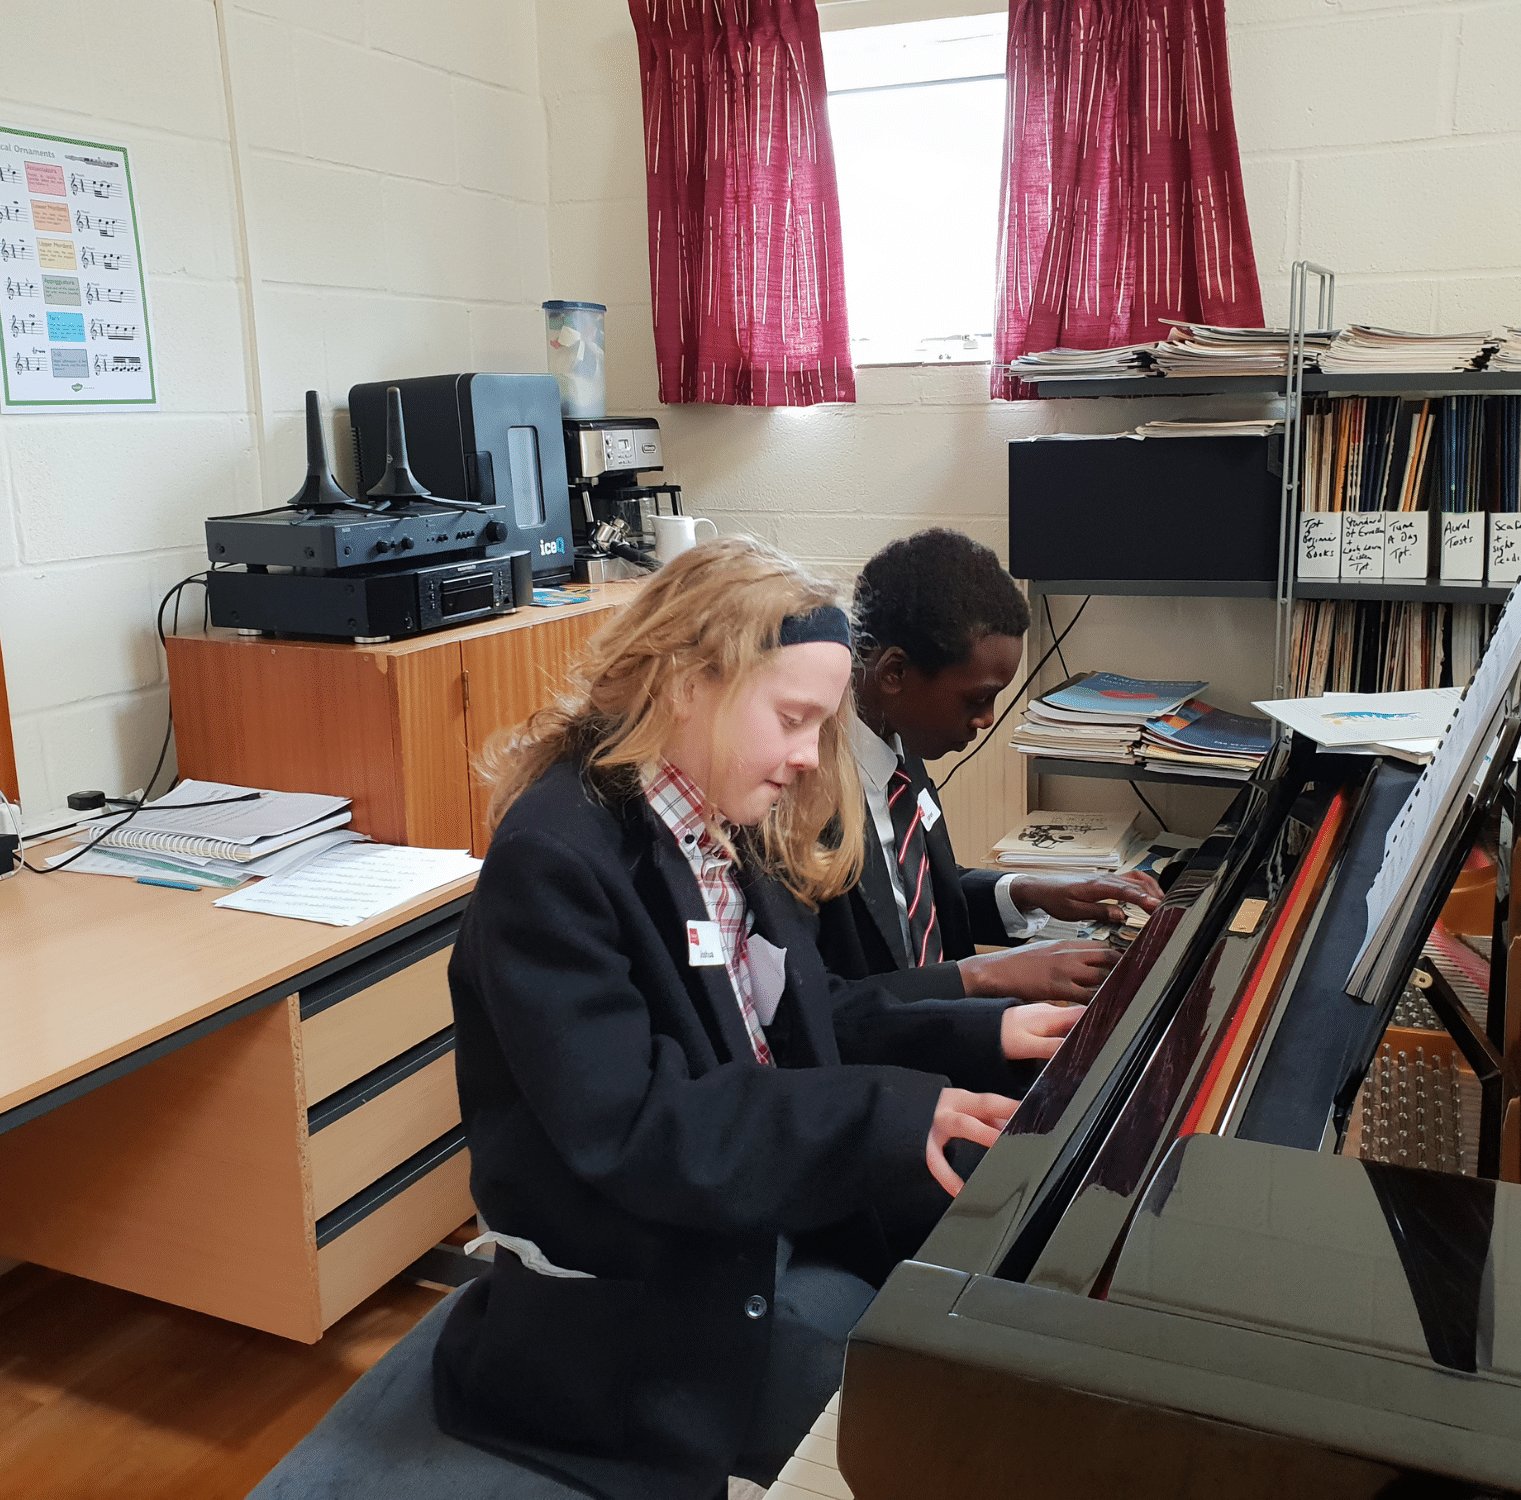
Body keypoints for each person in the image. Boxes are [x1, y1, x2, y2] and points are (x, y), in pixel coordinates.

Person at [433, 538, 1083, 1500]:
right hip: (639, 1308)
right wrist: (885, 1118)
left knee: (1026, 1299)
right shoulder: (555, 860)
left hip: (754, 1213)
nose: (808, 757)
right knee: (945, 1436)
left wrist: (982, 1033)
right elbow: (642, 1128)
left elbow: (807, 1018)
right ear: (689, 683)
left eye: (821, 725)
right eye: (792, 719)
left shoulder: (724, 824)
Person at [819, 528, 1163, 1008]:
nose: (985, 720)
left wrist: (1032, 890)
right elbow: (816, 1007)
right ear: (894, 673)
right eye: (976, 699)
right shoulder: (800, 796)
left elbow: (919, 894)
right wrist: (985, 974)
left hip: (951, 1025)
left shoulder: (899, 743)